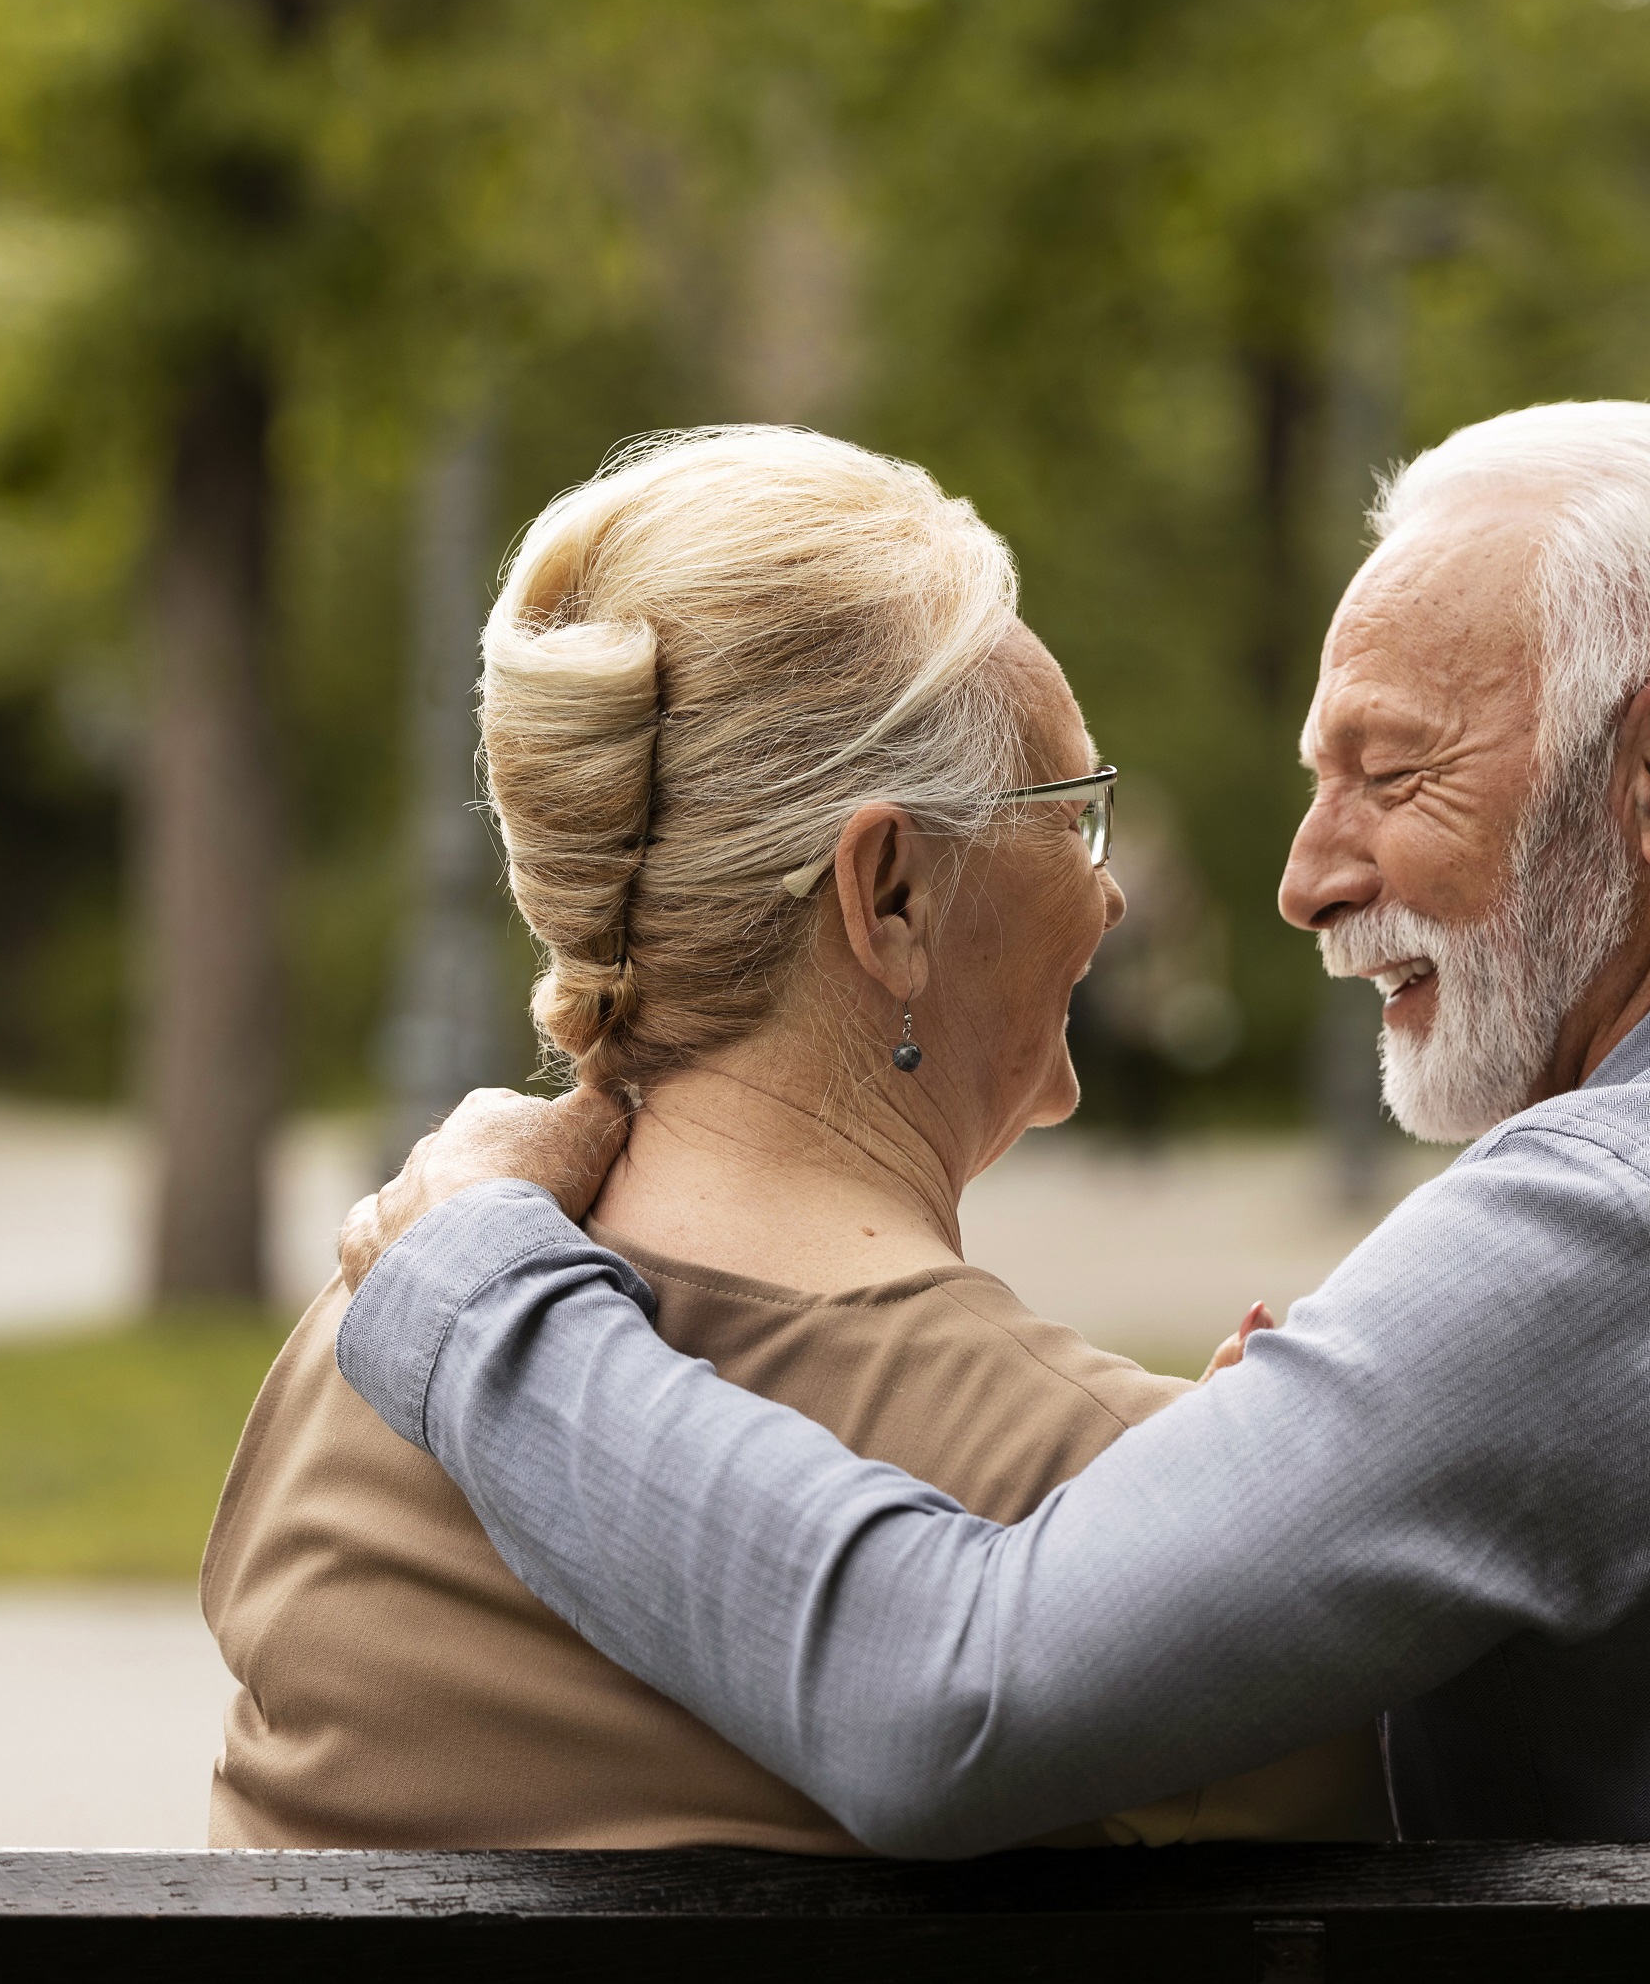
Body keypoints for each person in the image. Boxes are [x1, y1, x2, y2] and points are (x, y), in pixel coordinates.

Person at [329, 401, 1650, 1853]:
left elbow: (950, 1702)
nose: (1303, 878)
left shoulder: (1627, 1226)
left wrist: (474, 1288)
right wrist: (1332, 1471)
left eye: (1390, 771)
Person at [201, 426, 1384, 1850]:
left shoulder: (369, 1335)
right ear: (890, 895)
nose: (1110, 895)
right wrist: (1238, 1495)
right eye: (1074, 815)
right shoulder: (1113, 1503)